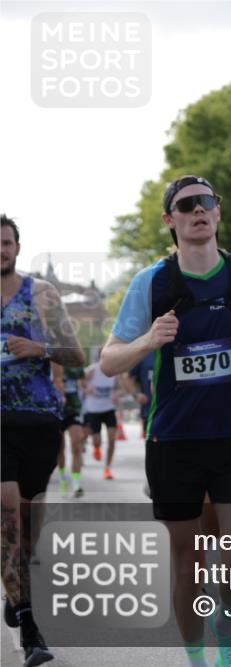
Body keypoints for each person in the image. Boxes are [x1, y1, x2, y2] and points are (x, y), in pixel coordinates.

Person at [100, 175, 231, 667]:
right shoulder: (152, 283)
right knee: (189, 564)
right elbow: (108, 361)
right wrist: (147, 342)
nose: (198, 210)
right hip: (174, 439)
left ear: (218, 213)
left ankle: (226, 624)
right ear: (171, 220)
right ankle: (196, 659)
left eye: (207, 202)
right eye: (186, 205)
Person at [2, 213, 86, 666]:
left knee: (28, 522)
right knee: (7, 517)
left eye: (6, 243)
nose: (1, 250)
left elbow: (76, 354)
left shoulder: (43, 295)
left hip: (37, 421)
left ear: (16, 247)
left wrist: (40, 348)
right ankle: (31, 629)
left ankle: (13, 588)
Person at [81, 359, 123, 480]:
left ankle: (107, 468)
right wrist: (85, 389)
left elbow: (120, 388)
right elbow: (80, 383)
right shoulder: (91, 370)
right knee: (97, 440)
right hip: (93, 409)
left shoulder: (114, 372)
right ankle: (97, 448)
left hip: (109, 408)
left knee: (112, 439)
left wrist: (117, 394)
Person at [53, 361, 86, 498]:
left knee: (76, 445)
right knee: (60, 449)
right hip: (57, 409)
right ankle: (62, 479)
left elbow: (83, 382)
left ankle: (76, 484)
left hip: (73, 408)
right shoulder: (52, 361)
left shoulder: (75, 363)